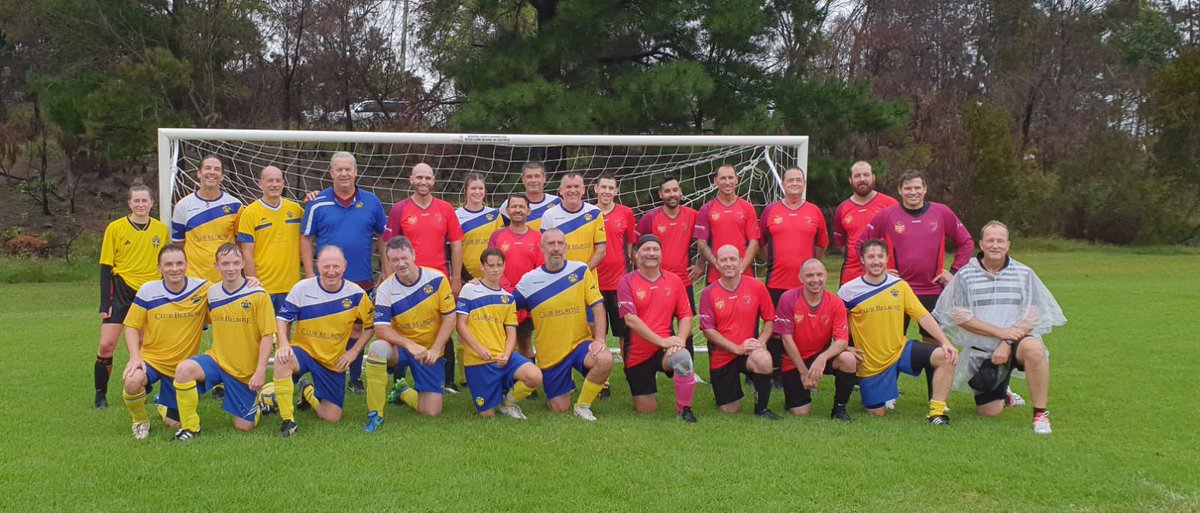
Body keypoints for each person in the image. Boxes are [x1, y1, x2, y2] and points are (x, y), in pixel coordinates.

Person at [933, 221, 1065, 434]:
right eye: (990, 240)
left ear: (1008, 245)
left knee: (1035, 349)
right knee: (988, 412)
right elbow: (959, 316)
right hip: (984, 350)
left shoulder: (1024, 273)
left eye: (1000, 241)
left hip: (1017, 341)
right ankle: (1005, 393)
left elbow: (1034, 313)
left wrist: (1007, 340)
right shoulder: (965, 275)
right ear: (981, 244)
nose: (995, 245)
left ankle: (1040, 414)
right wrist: (998, 333)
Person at [836, 239, 959, 425]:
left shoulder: (899, 286)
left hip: (900, 350)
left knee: (945, 356)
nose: (876, 261)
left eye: (880, 256)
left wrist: (945, 342)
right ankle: (880, 391)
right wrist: (845, 348)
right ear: (862, 259)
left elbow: (923, 316)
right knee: (876, 412)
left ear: (887, 259)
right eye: (871, 256)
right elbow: (834, 323)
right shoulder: (848, 291)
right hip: (871, 362)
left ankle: (937, 413)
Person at [300, 152, 387, 394]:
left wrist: (385, 271)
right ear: (331, 173)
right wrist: (309, 274)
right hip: (327, 280)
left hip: (362, 278)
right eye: (339, 169)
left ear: (356, 172)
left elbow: (383, 237)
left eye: (348, 169)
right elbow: (306, 239)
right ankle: (320, 372)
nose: (344, 174)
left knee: (359, 328)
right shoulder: (317, 203)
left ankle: (355, 377)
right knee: (325, 328)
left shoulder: (372, 202)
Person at [172, 244, 277, 440]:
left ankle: (266, 396)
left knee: (244, 426)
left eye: (235, 263)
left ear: (243, 264)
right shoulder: (211, 292)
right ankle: (191, 428)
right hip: (217, 360)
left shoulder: (258, 294)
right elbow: (182, 289)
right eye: (225, 263)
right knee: (184, 370)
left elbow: (267, 336)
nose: (230, 268)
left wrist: (260, 371)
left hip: (244, 371)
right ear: (216, 266)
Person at [513, 229, 612, 421]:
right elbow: (507, 307)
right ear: (542, 248)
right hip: (551, 355)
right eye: (551, 244)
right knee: (559, 408)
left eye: (560, 243)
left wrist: (599, 339)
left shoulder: (580, 270)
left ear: (566, 247)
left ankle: (583, 406)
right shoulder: (529, 280)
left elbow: (598, 305)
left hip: (579, 345)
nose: (556, 248)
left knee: (605, 359)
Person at [382, 162, 464, 392]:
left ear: (433, 180)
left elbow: (456, 244)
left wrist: (456, 278)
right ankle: (399, 382)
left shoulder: (446, 208)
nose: (423, 182)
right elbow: (389, 244)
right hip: (405, 280)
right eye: (419, 177)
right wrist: (389, 277)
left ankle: (446, 380)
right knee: (401, 327)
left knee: (444, 325)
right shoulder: (400, 209)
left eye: (427, 178)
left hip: (438, 281)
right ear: (411, 179)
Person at [862, 171, 973, 339]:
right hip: (897, 289)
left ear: (925, 189)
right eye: (907, 188)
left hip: (933, 289)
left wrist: (954, 273)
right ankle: (899, 366)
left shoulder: (941, 212)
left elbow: (966, 242)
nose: (912, 192)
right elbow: (861, 244)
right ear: (900, 191)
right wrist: (879, 272)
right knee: (893, 341)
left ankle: (934, 366)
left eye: (917, 187)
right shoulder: (887, 215)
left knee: (934, 341)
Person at [362, 237, 457, 430]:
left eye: (404, 257)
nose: (400, 263)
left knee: (431, 411)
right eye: (394, 260)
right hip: (402, 349)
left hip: (429, 352)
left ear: (413, 255)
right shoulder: (386, 288)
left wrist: (436, 349)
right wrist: (409, 345)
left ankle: (402, 390)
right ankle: (375, 415)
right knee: (377, 348)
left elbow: (450, 318)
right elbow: (380, 329)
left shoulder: (437, 279)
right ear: (388, 261)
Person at [275, 246, 375, 424]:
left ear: (344, 266)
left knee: (331, 417)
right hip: (304, 351)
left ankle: (307, 390)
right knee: (282, 360)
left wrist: (354, 351)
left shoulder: (357, 294)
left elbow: (370, 326)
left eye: (336, 267)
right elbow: (282, 319)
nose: (331, 272)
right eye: (326, 266)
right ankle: (287, 420)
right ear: (317, 265)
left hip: (332, 360)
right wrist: (284, 344)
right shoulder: (302, 288)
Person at [120, 245, 210, 440]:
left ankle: (163, 404)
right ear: (159, 268)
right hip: (152, 360)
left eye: (179, 263)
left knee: (173, 424)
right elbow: (131, 326)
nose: (174, 268)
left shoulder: (202, 289)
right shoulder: (148, 290)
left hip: (181, 368)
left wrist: (251, 282)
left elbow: (231, 292)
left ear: (186, 265)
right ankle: (140, 420)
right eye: (168, 264)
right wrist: (135, 357)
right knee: (132, 380)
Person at [94, 182, 169, 410]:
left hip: (149, 293)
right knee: (107, 344)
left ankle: (142, 386)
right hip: (121, 291)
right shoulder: (115, 228)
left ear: (151, 203)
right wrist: (104, 302)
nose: (140, 204)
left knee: (143, 344)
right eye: (136, 200)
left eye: (144, 200)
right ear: (129, 203)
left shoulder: (160, 230)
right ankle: (100, 395)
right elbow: (106, 267)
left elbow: (165, 266)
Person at [759, 166, 828, 387]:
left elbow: (821, 245)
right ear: (784, 184)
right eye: (791, 180)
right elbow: (761, 244)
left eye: (799, 180)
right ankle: (774, 372)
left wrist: (809, 269)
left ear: (804, 183)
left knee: (801, 329)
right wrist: (776, 262)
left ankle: (802, 368)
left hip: (806, 285)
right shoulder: (771, 211)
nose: (795, 183)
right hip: (777, 280)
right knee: (775, 329)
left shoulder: (814, 211)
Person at [617, 234, 698, 423]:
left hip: (666, 350)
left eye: (655, 249)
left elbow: (686, 315)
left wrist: (680, 339)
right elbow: (630, 320)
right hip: (638, 354)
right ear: (636, 255)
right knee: (646, 410)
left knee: (683, 358)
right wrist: (662, 340)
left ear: (661, 254)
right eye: (646, 249)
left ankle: (684, 409)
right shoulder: (626, 282)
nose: (651, 253)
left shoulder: (674, 280)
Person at [456, 248, 543, 419]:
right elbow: (460, 325)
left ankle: (508, 403)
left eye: (499, 265)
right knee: (487, 415)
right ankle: (494, 393)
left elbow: (511, 331)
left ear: (504, 266)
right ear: (482, 267)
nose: (495, 269)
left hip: (503, 357)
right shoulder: (469, 290)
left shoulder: (508, 298)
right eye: (491, 265)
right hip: (478, 360)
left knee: (535, 376)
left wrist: (507, 353)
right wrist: (478, 348)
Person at [773, 259, 859, 421]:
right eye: (809, 275)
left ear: (826, 276)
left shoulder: (835, 302)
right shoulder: (788, 298)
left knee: (848, 359)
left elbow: (842, 341)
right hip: (793, 360)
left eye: (819, 274)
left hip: (820, 356)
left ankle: (839, 409)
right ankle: (793, 396)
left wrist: (822, 357)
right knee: (800, 412)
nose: (815, 279)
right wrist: (804, 373)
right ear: (801, 278)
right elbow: (786, 340)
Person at [698, 245, 777, 419]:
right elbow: (708, 331)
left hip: (748, 350)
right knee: (729, 409)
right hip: (723, 356)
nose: (728, 263)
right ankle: (724, 393)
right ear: (717, 264)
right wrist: (736, 348)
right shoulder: (708, 293)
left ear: (741, 262)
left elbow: (770, 320)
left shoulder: (756, 286)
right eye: (723, 260)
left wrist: (762, 342)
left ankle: (761, 409)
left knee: (764, 359)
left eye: (732, 259)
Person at [636, 176, 701, 355]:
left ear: (680, 192)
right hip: (655, 282)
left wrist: (698, 264)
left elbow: (704, 241)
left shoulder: (693, 215)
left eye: (674, 190)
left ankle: (688, 367)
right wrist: (641, 273)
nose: (671, 194)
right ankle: (653, 365)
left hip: (683, 282)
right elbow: (634, 247)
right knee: (654, 325)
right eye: (667, 191)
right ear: (660, 194)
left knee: (685, 326)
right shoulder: (650, 218)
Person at [454, 173, 504, 387]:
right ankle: (465, 375)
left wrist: (490, 275)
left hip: (491, 279)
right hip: (466, 280)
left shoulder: (495, 215)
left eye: (480, 189)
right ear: (465, 191)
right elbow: (453, 249)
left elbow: (499, 246)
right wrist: (465, 278)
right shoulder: (456, 215)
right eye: (473, 188)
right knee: (463, 324)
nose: (477, 192)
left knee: (489, 323)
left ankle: (493, 364)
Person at [237, 165, 304, 313]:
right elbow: (246, 253)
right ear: (260, 183)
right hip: (264, 286)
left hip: (291, 286)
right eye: (269, 181)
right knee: (263, 333)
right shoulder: (250, 213)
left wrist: (314, 198)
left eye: (278, 180)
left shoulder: (296, 210)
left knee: (284, 331)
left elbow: (313, 230)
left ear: (284, 183)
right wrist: (254, 282)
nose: (274, 184)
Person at [488, 195, 544, 359]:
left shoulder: (538, 238)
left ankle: (528, 382)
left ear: (528, 211)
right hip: (501, 297)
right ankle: (505, 381)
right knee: (500, 342)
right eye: (514, 207)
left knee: (524, 341)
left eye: (521, 206)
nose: (517, 210)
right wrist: (510, 292)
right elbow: (492, 266)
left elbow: (540, 270)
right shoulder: (497, 236)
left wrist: (522, 294)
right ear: (507, 210)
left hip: (527, 299)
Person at [171, 155, 241, 283]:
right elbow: (178, 245)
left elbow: (240, 243)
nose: (212, 172)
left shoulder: (235, 205)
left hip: (227, 280)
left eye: (217, 169)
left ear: (222, 176)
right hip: (194, 280)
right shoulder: (182, 206)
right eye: (207, 168)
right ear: (199, 173)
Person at [833, 161, 898, 285]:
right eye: (857, 176)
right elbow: (842, 245)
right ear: (850, 180)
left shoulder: (890, 204)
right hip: (852, 276)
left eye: (866, 175)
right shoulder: (842, 209)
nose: (862, 179)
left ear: (873, 177)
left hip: (884, 274)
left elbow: (901, 239)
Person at [694, 164, 760, 284]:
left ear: (736, 180)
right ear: (715, 181)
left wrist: (741, 268)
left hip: (744, 274)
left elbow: (754, 242)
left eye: (730, 177)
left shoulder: (747, 207)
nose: (727, 182)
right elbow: (702, 243)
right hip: (716, 275)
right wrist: (718, 265)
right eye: (723, 178)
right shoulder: (706, 209)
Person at [594, 173, 636, 346]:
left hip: (619, 283)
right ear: (596, 189)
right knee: (597, 334)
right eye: (603, 187)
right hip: (595, 283)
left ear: (616, 191)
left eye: (611, 188)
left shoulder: (626, 213)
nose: (607, 191)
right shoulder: (588, 213)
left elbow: (630, 247)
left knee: (625, 334)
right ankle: (602, 373)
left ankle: (630, 371)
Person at [540, 172, 607, 275]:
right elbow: (544, 251)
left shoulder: (595, 213)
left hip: (587, 277)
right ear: (561, 190)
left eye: (576, 186)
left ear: (583, 190)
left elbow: (601, 250)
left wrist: (583, 273)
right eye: (568, 187)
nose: (573, 190)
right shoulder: (549, 215)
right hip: (559, 279)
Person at [499, 161, 561, 231]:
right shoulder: (509, 204)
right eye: (529, 177)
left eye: (537, 176)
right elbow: (502, 234)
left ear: (544, 178)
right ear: (523, 179)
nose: (533, 180)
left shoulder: (556, 202)